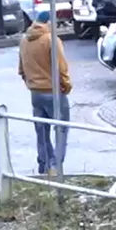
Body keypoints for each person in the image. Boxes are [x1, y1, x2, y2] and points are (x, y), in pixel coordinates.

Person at [18, 10, 72, 176]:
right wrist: (67, 85)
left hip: (35, 92)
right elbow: (61, 67)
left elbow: (21, 69)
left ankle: (44, 164)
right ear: (48, 23)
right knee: (61, 129)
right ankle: (55, 166)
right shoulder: (51, 40)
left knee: (41, 131)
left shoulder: (24, 40)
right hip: (53, 91)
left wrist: (31, 83)